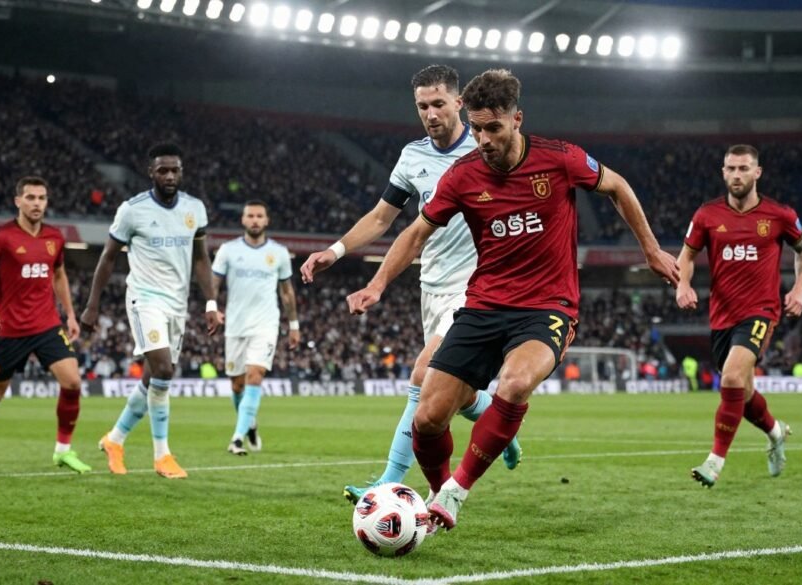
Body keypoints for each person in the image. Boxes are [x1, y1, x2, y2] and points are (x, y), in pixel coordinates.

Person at [347, 69, 678, 530]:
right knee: (427, 416)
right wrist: (377, 284)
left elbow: (617, 186)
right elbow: (416, 231)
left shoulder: (560, 159)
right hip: (484, 306)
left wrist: (651, 249)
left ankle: (456, 492)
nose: (482, 139)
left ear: (517, 119)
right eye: (477, 128)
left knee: (516, 384)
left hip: (548, 307)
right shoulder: (463, 176)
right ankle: (437, 493)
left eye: (493, 128)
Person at [299, 64, 522, 504]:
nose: (430, 113)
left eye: (439, 103)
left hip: (478, 285)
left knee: (422, 375)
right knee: (450, 395)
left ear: (459, 103)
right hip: (431, 285)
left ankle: (389, 481)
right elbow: (383, 218)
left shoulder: (487, 148)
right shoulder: (413, 156)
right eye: (422, 105)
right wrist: (337, 250)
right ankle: (500, 423)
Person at [80, 143, 222, 479]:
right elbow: (108, 257)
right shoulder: (133, 210)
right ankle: (163, 455)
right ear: (151, 172)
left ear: (181, 172)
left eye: (175, 170)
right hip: (144, 299)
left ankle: (115, 439)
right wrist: (92, 305)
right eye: (163, 170)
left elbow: (201, 259)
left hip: (177, 303)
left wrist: (211, 303)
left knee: (154, 376)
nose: (169, 175)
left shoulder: (194, 209)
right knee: (162, 369)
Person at [676, 143, 802, 488]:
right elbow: (687, 256)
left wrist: (799, 289)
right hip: (722, 316)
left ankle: (714, 461)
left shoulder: (779, 215)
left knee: (733, 378)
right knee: (744, 392)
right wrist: (683, 285)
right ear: (723, 172)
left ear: (757, 172)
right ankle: (775, 431)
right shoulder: (707, 215)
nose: (737, 174)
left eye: (743, 168)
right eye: (731, 169)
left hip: (761, 312)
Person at [0, 176, 90, 475]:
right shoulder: (0, 237)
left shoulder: (55, 237)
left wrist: (70, 314)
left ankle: (63, 451)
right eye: (30, 198)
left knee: (73, 382)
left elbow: (59, 275)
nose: (36, 203)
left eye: (41, 198)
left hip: (46, 325)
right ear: (18, 201)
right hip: (11, 330)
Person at [212, 200, 300, 455]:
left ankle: (237, 438)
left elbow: (287, 292)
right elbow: (214, 282)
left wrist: (293, 325)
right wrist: (211, 306)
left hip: (266, 324)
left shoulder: (279, 253)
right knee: (237, 385)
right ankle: (249, 423)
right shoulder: (228, 250)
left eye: (259, 216)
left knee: (255, 375)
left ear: (266, 220)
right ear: (243, 220)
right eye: (250, 215)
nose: (254, 220)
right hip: (235, 326)